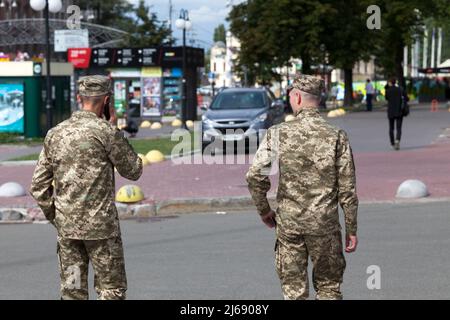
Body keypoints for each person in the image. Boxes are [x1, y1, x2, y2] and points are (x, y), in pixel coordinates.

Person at [30, 75, 143, 300]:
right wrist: (115, 129)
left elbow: (38, 186)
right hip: (102, 229)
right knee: (111, 290)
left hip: (68, 229)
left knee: (73, 292)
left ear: (79, 97)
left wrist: (57, 216)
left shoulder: (55, 133)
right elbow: (134, 170)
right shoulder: (106, 132)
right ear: (107, 100)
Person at [246, 74, 358, 300]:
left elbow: (255, 175)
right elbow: (348, 190)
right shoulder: (336, 136)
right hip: (325, 224)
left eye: (290, 97)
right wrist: (351, 228)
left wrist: (264, 210)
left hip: (290, 225)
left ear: (297, 97)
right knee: (329, 288)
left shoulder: (278, 133)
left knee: (294, 291)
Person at [385, 78, 405, 150]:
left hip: (390, 111)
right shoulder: (400, 89)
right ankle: (397, 140)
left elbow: (386, 98)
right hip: (399, 111)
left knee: (391, 128)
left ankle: (392, 143)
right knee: (399, 128)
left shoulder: (388, 90)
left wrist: (387, 86)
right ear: (396, 82)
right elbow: (406, 98)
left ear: (390, 82)